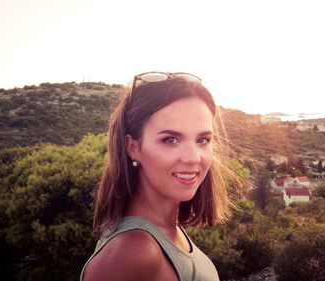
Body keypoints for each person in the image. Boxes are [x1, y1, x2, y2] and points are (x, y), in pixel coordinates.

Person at [80, 72, 232, 281]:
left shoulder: (164, 232)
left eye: (203, 140)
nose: (193, 157)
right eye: (170, 139)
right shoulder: (132, 253)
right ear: (133, 147)